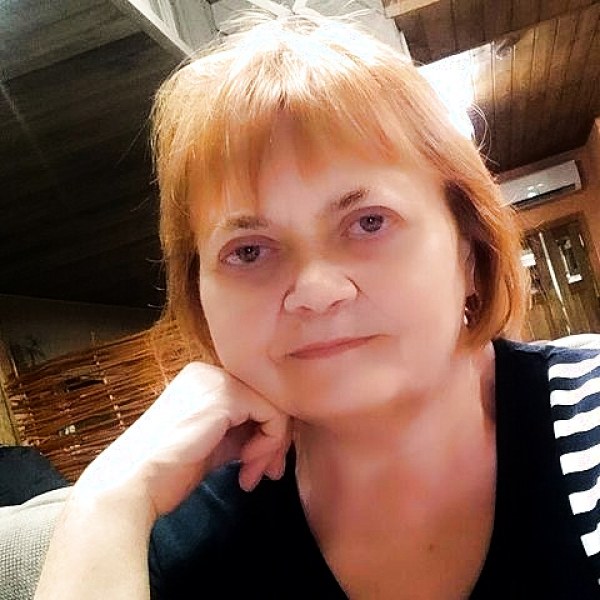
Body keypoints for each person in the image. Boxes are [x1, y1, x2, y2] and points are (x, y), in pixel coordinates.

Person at [33, 12, 600, 599]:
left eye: (369, 222)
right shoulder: (180, 542)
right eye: (249, 251)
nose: (315, 290)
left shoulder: (587, 412)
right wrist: (108, 498)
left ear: (469, 253)